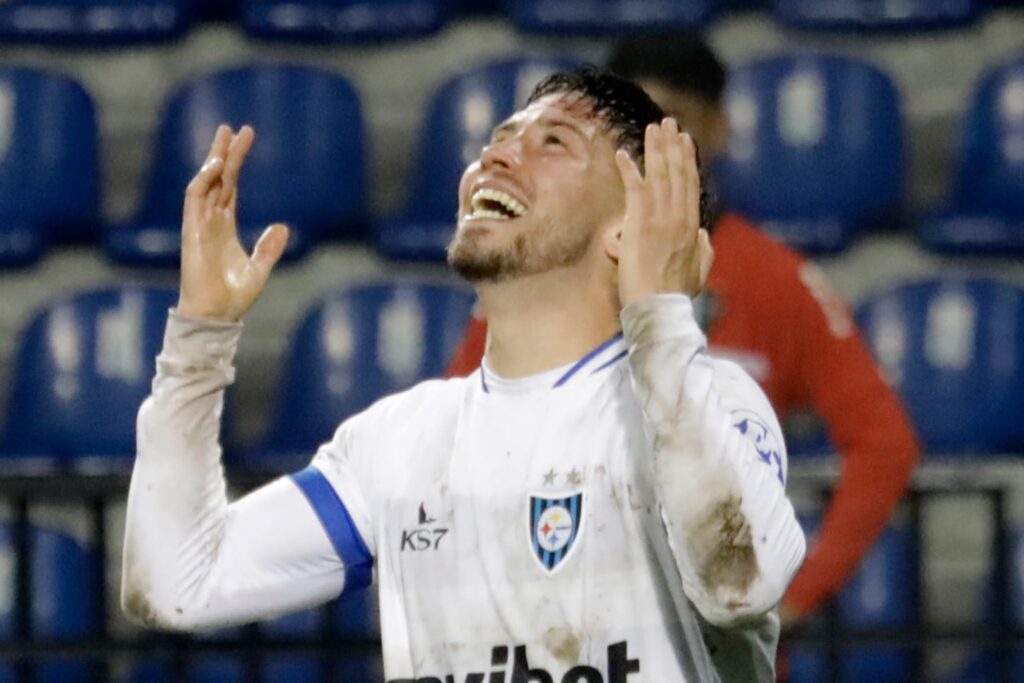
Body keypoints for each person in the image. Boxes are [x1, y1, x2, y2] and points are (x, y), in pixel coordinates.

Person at [121, 69, 806, 682]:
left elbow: (736, 582)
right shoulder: (401, 439)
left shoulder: (710, 404)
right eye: (498, 139)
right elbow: (180, 581)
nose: (494, 156)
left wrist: (658, 313)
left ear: (630, 227)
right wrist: (198, 337)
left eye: (554, 143)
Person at [445, 34, 920, 629]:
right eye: (633, 123)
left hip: (716, 646)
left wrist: (798, 593)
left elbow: (884, 443)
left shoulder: (776, 279)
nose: (653, 144)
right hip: (563, 633)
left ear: (718, 129)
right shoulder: (543, 267)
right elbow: (457, 433)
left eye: (676, 122)